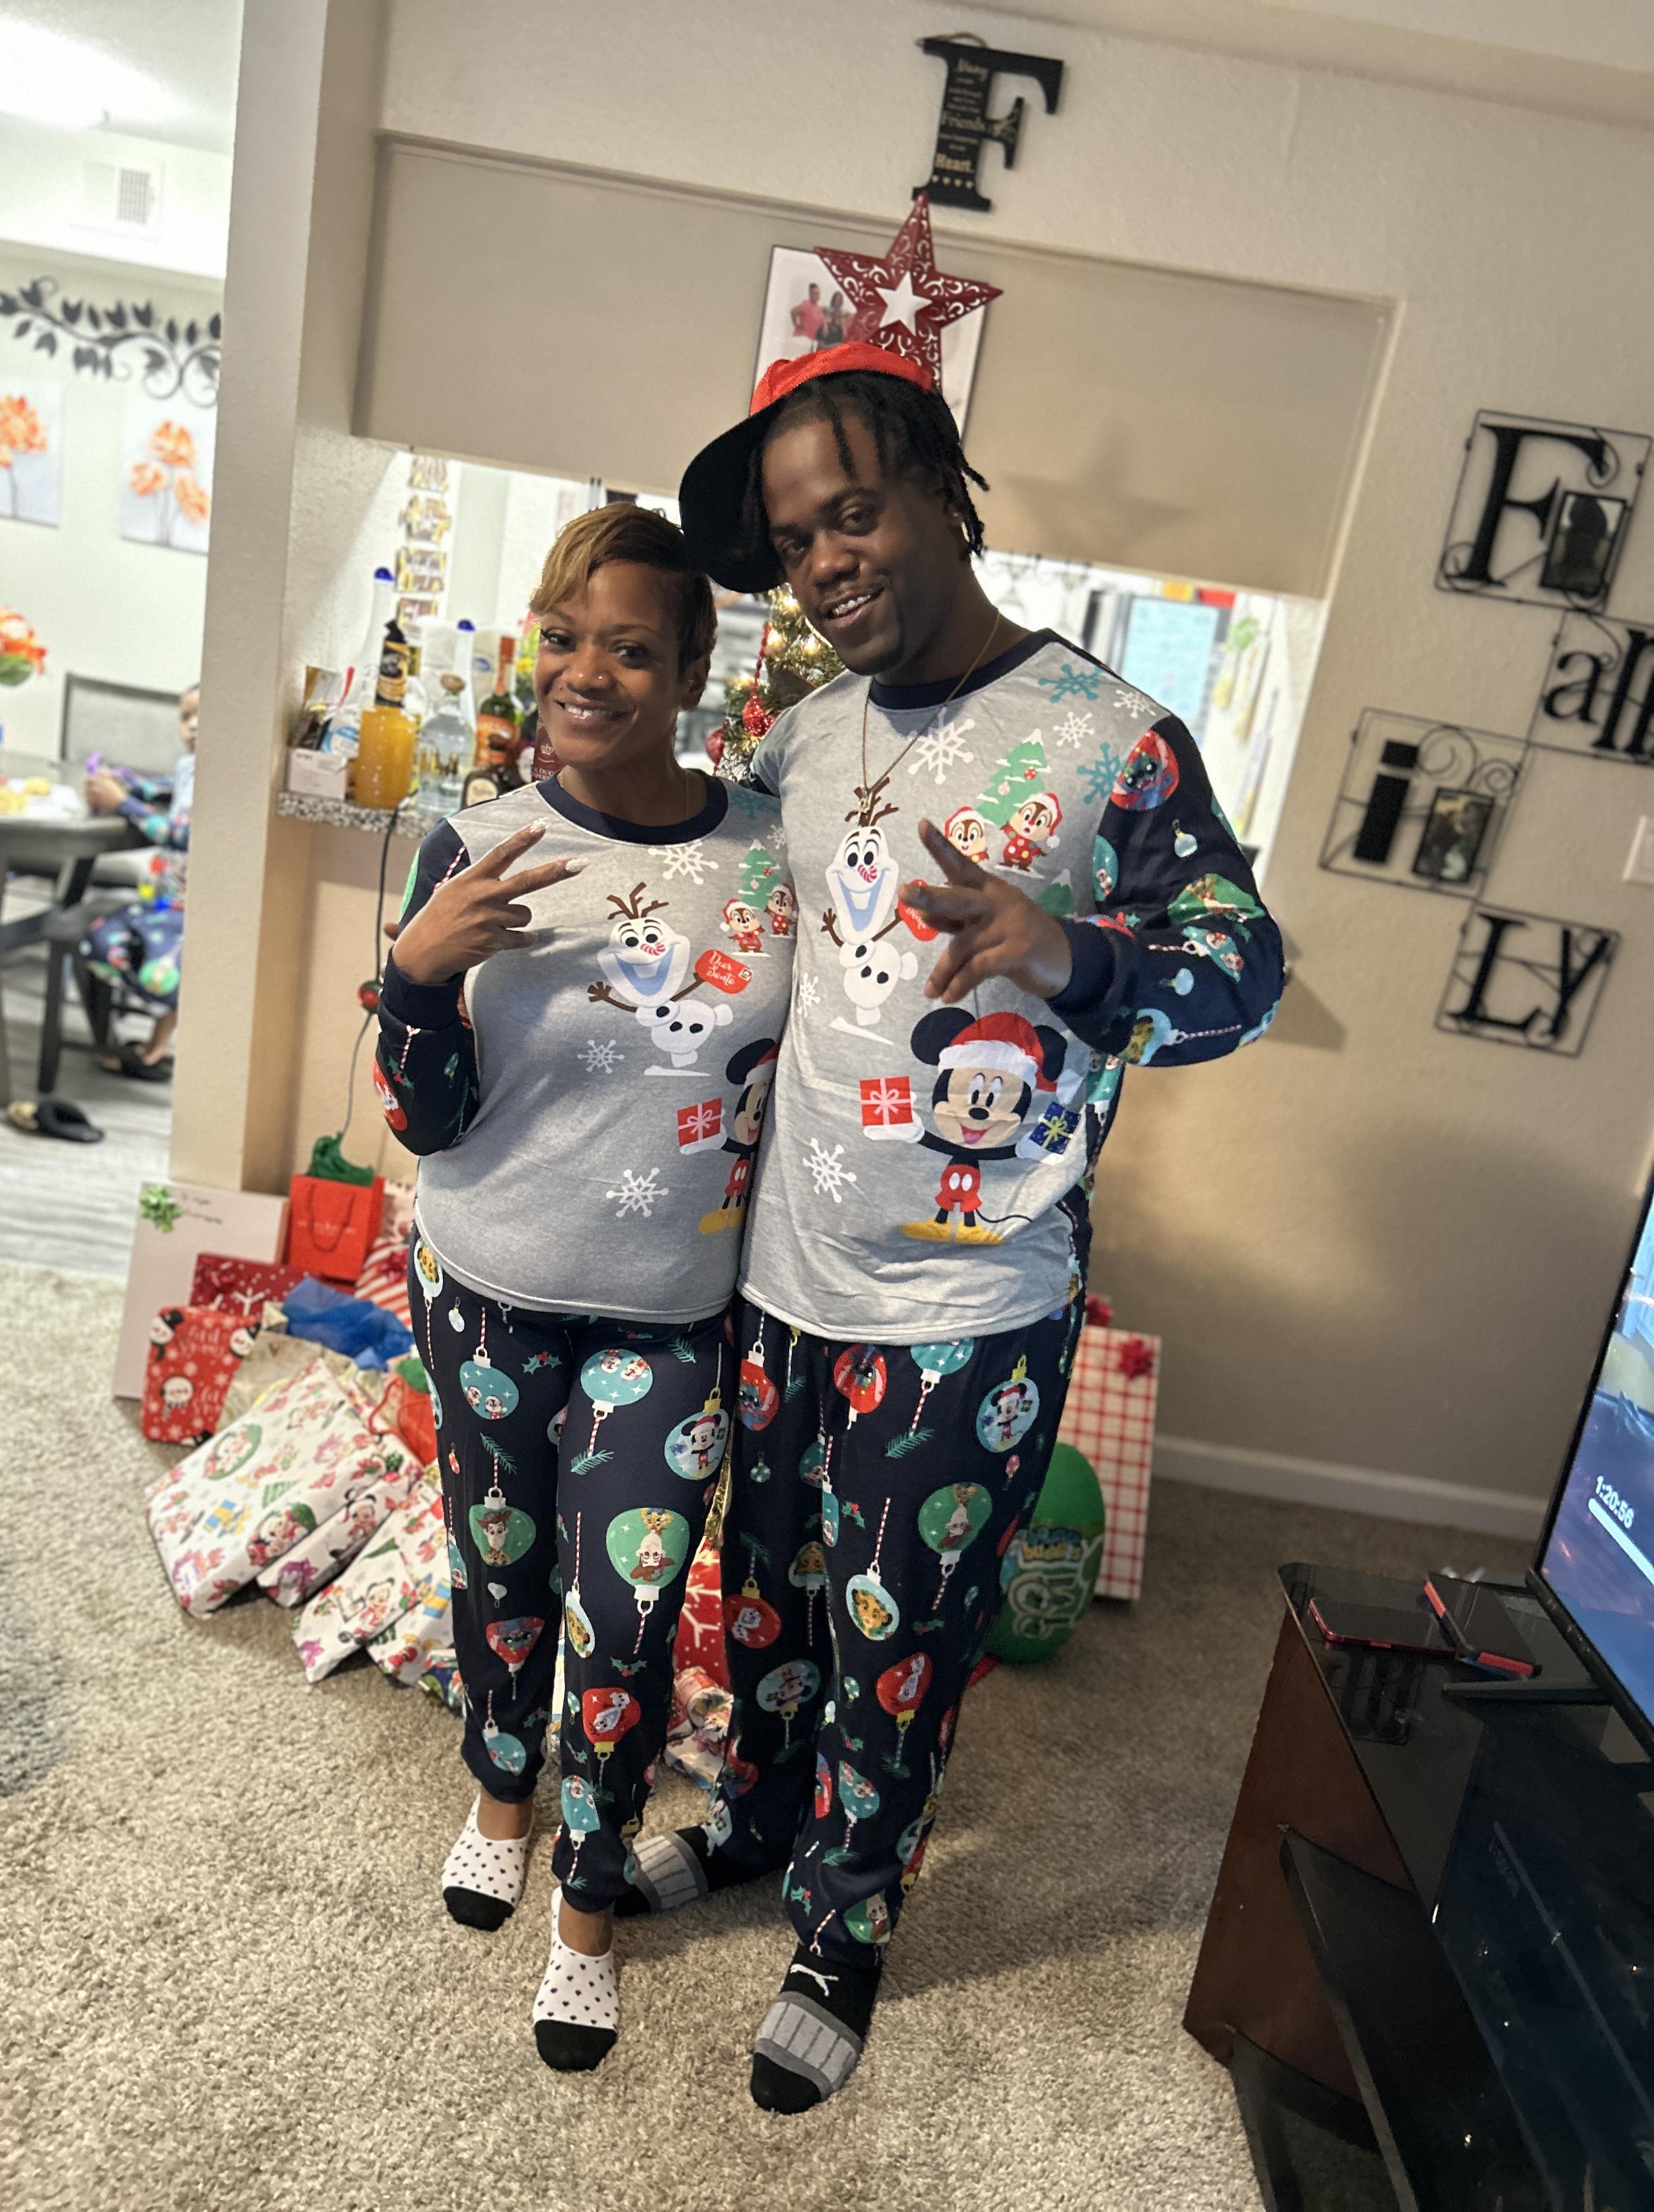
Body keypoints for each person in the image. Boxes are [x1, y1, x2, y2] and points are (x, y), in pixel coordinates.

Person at [615, 341, 1284, 2112]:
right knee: (768, 1598)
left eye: (852, 513)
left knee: (898, 1640)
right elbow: (726, 933)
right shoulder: (801, 736)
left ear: (936, 485)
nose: (825, 564)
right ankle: (757, 1819)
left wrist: (1073, 954)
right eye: (794, 542)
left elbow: (1244, 972)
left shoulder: (1113, 741)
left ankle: (843, 1929)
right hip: (783, 1276)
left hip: (972, 1305)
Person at [374, 504, 793, 2072]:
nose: (586, 673)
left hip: (673, 1313)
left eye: (628, 646)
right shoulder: (470, 840)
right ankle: (501, 1798)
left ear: (690, 668)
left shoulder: (769, 852)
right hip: (489, 1285)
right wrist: (417, 973)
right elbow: (426, 1120)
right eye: (564, 638)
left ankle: (589, 1901)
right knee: (498, 1567)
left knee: (625, 1615)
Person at [80, 682, 198, 1077]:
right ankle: (155, 1036)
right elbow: (161, 788)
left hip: (196, 905)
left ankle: (158, 1040)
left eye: (204, 714)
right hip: (165, 896)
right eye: (186, 716)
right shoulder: (189, 767)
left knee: (152, 965)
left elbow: (182, 835)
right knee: (102, 940)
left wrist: (123, 804)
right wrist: (125, 782)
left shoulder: (226, 777)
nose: (193, 725)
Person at [789, 281, 824, 349]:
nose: (817, 296)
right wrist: (796, 326)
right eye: (815, 294)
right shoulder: (806, 305)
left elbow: (822, 320)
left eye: (818, 294)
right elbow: (793, 312)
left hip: (811, 340)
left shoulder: (819, 308)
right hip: (803, 338)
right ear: (810, 294)